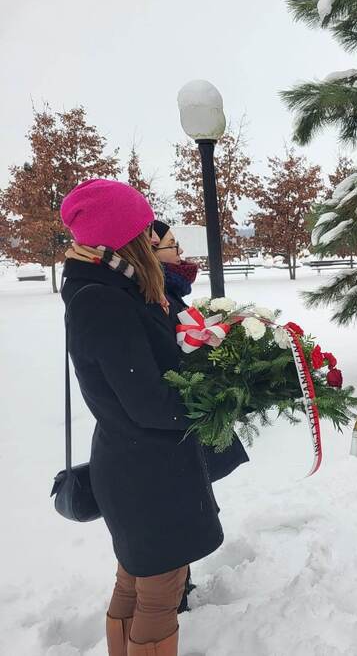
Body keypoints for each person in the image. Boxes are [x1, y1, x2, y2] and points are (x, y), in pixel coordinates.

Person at [60, 179, 222, 656]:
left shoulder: (110, 286)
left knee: (134, 576)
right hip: (146, 471)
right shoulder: (103, 299)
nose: (155, 238)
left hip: (135, 461)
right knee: (159, 590)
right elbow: (147, 401)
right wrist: (211, 404)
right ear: (122, 236)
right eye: (145, 229)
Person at [151, 219, 249, 613]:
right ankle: (174, 599)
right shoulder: (154, 294)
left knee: (183, 506)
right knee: (172, 513)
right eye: (171, 246)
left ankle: (179, 588)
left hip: (179, 421)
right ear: (151, 250)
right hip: (168, 425)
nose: (180, 253)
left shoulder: (169, 290)